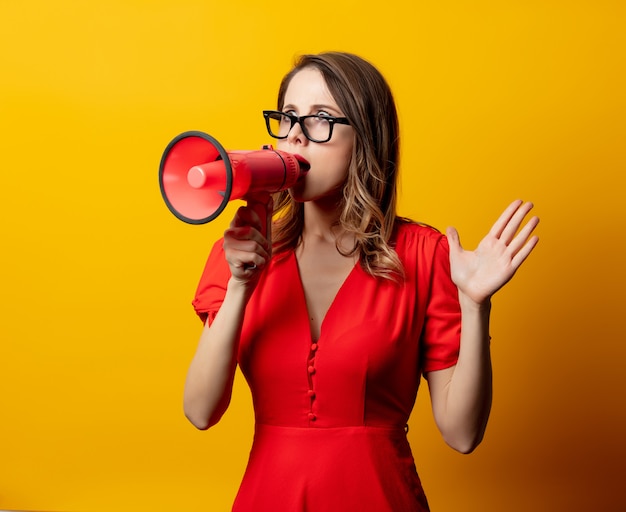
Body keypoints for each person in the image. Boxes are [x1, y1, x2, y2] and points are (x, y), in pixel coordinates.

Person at [183, 51, 539, 511]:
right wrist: (238, 286)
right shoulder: (239, 253)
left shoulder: (424, 255)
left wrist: (474, 305)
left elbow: (462, 433)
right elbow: (200, 411)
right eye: (288, 117)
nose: (295, 135)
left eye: (320, 119)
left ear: (366, 139)